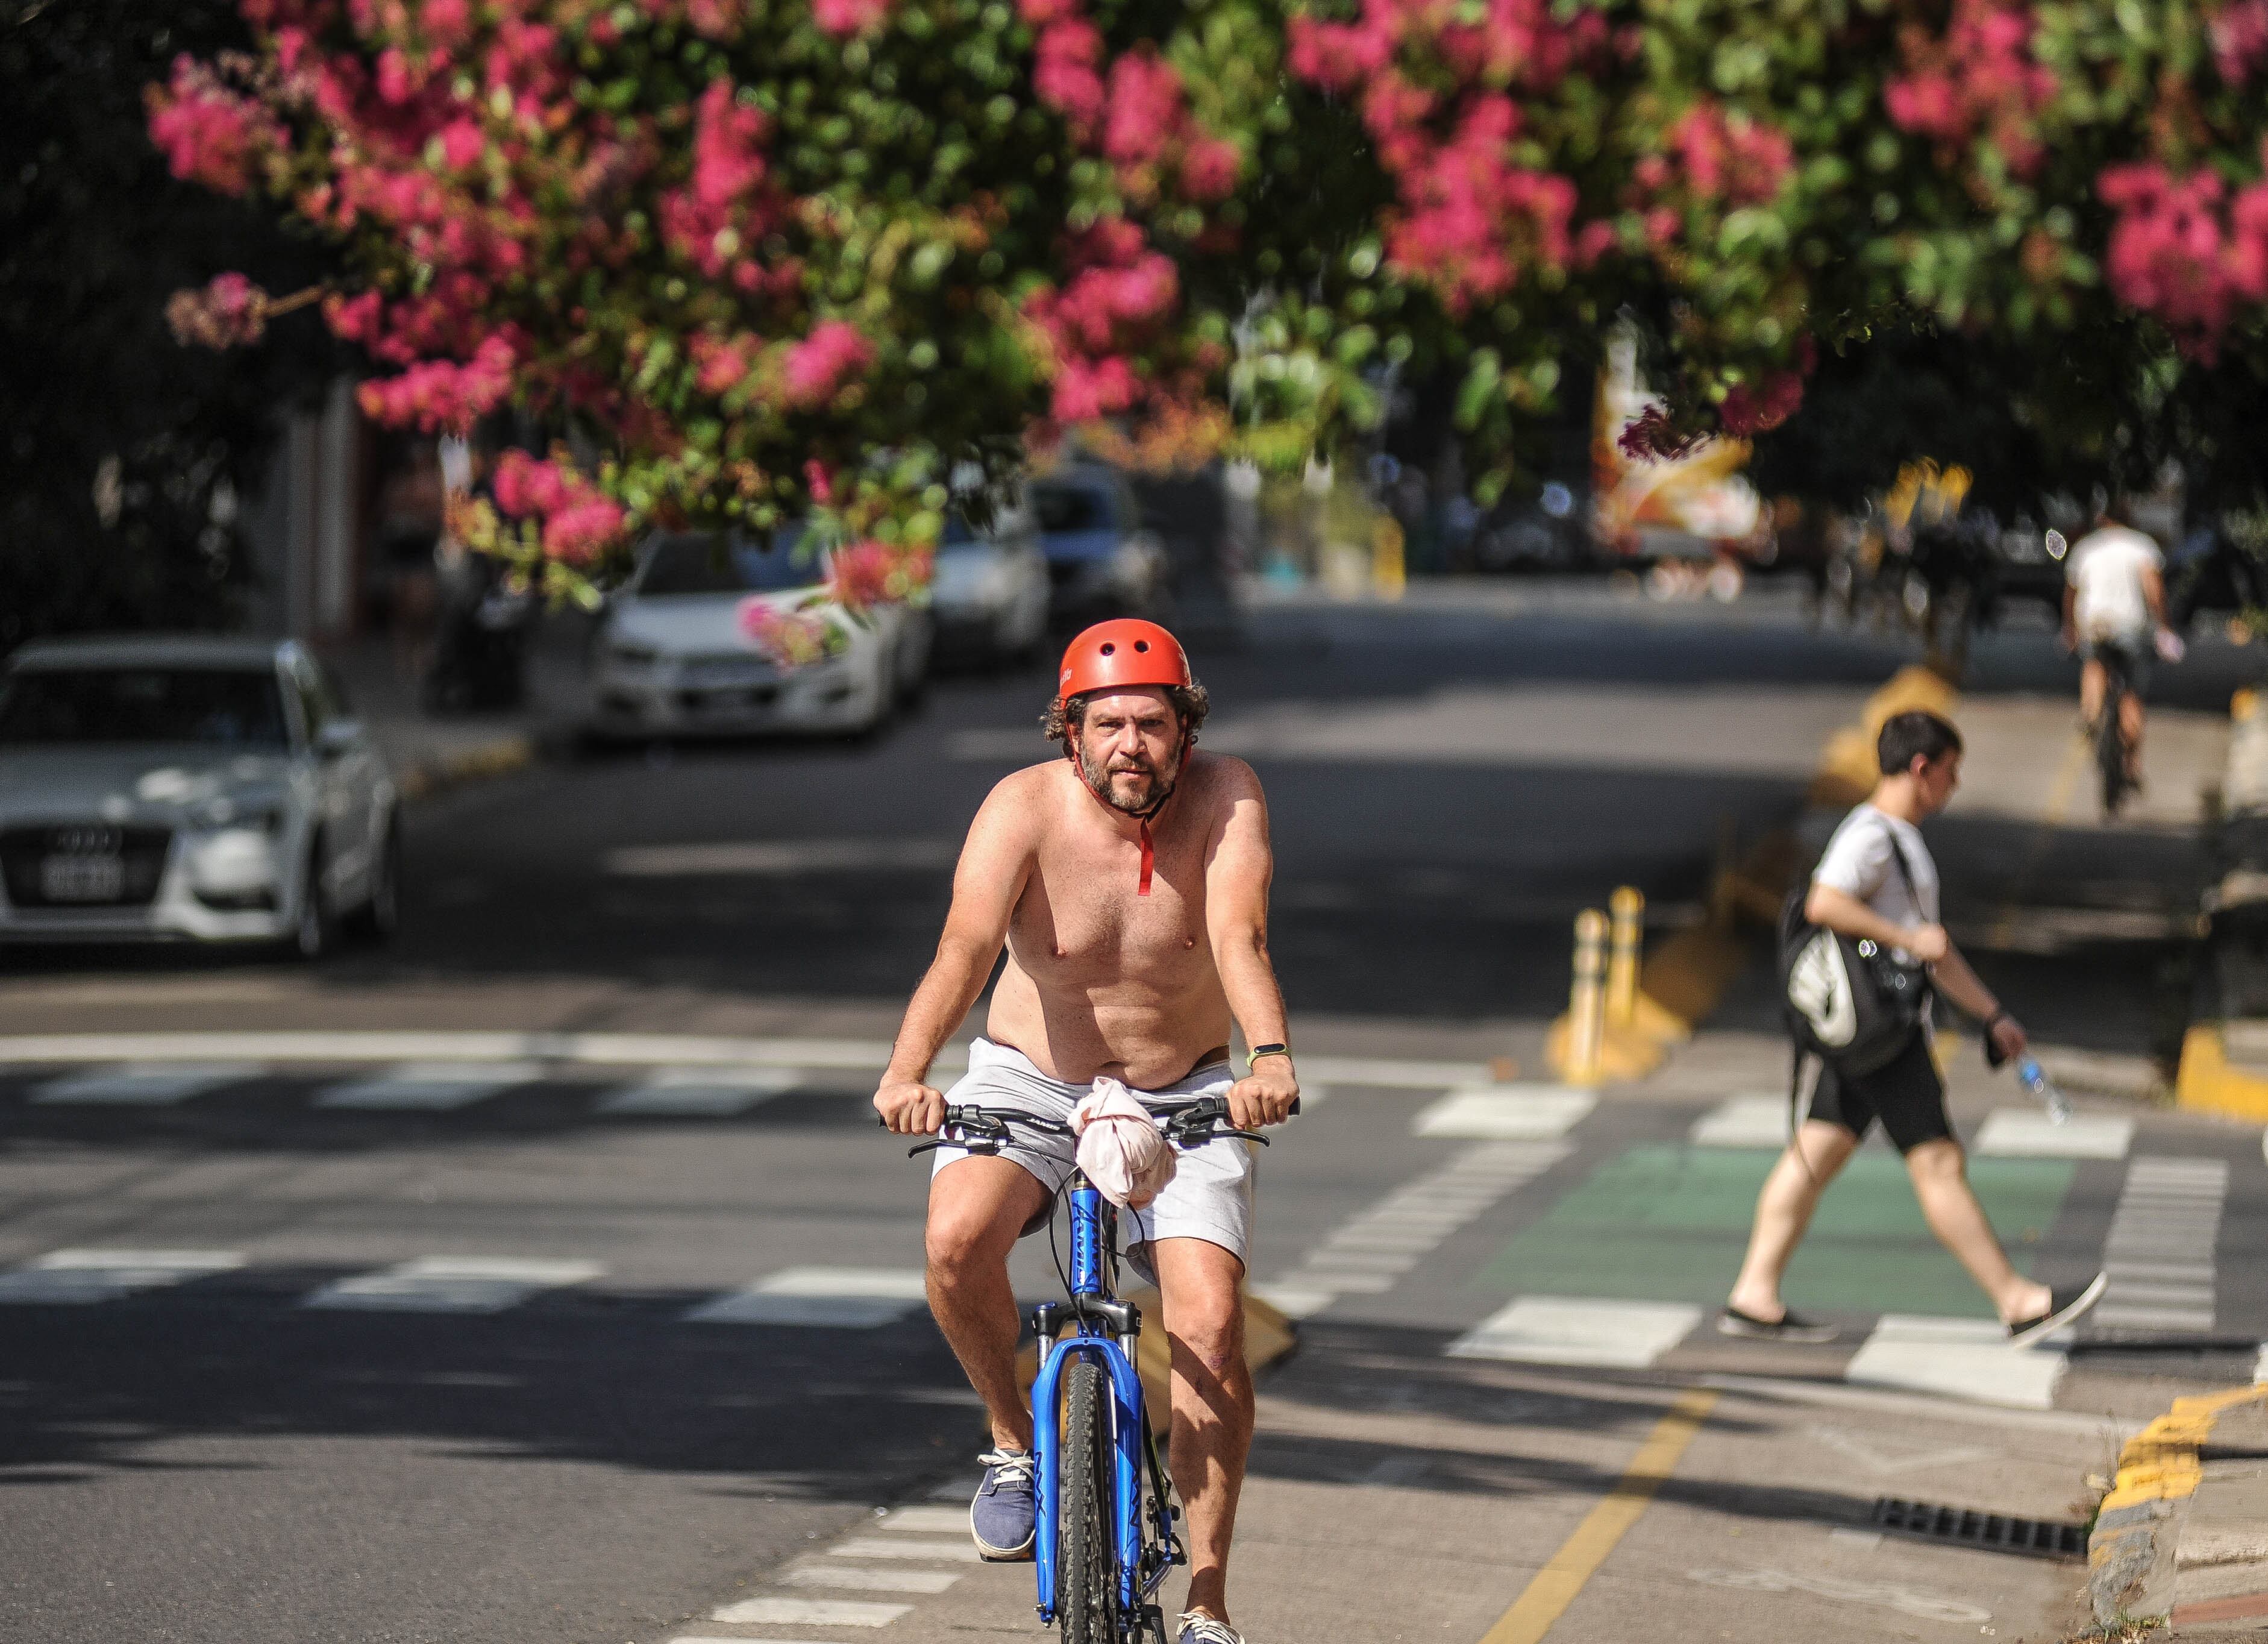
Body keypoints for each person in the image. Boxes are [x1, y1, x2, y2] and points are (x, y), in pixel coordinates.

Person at [874, 618, 1297, 1644]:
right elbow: (965, 945)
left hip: (1182, 1085)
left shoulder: (1227, 796)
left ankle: (1205, 1599)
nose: (1128, 744)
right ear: (1070, 730)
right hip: (1030, 1075)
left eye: (1150, 723)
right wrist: (906, 1067)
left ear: (1183, 731)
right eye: (1105, 722)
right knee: (952, 1240)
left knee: (1204, 1322)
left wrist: (1269, 1055)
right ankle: (1014, 1439)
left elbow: (1237, 935)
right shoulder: (1020, 806)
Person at [1721, 710, 2107, 1348]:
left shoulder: (1896, 838)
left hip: (1871, 1034)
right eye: (1950, 773)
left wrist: (1991, 1015)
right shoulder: (1872, 836)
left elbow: (1936, 952)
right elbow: (1825, 902)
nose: (1953, 787)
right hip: (1885, 1035)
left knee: (1816, 1151)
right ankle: (2016, 1300)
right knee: (1937, 1163)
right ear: (1921, 769)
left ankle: (1753, 1292)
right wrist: (1904, 936)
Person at [2063, 501, 2170, 784]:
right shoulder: (2142, 547)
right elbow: (2153, 588)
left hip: (2096, 623)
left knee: (2095, 665)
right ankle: (2132, 764)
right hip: (2132, 626)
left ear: (2103, 520)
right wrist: (2163, 626)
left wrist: (2070, 629)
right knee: (2132, 695)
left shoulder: (2087, 547)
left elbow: (2072, 592)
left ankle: (2091, 714)